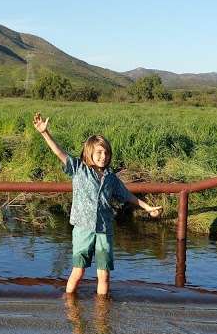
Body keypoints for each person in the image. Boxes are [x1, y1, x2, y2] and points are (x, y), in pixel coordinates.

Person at [34, 112, 161, 296]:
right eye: (99, 152)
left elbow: (127, 196)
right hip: (83, 229)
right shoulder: (79, 169)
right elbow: (59, 153)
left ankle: (102, 314)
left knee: (104, 275)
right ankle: (69, 305)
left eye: (106, 152)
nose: (103, 156)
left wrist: (148, 207)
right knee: (78, 272)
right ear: (89, 153)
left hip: (104, 229)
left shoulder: (111, 178)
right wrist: (45, 133)